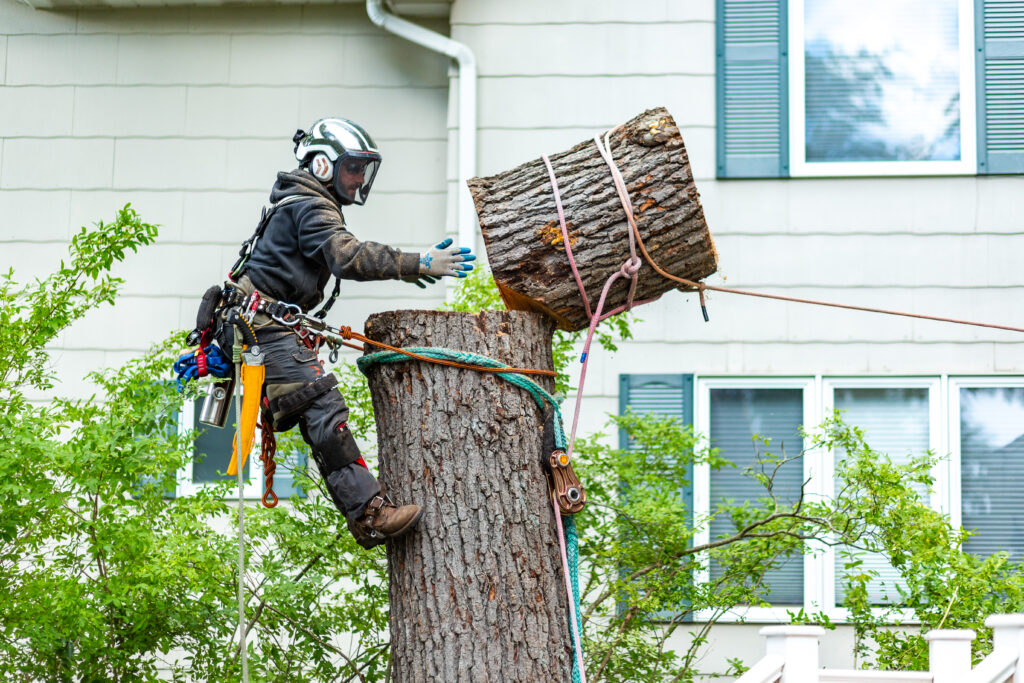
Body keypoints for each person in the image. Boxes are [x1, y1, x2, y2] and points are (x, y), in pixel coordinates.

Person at [230, 117, 475, 548]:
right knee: (323, 407)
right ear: (323, 165)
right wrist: (414, 262)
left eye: (363, 169)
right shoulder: (309, 206)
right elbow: (348, 257)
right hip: (263, 328)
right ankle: (369, 514)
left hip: (264, 325)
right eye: (352, 167)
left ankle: (366, 510)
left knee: (321, 409)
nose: (359, 178)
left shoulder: (300, 201)